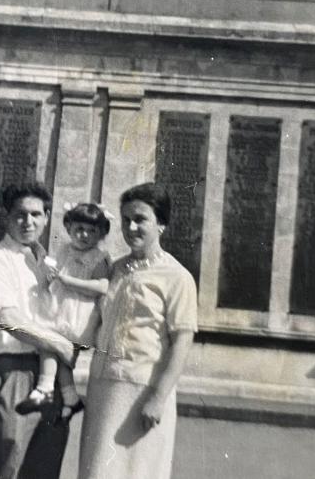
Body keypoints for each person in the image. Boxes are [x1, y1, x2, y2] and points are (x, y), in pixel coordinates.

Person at [78, 183, 198, 479]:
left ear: (162, 224)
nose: (131, 227)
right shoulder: (113, 269)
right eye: (127, 219)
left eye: (141, 219)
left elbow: (182, 342)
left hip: (143, 393)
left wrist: (157, 398)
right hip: (104, 390)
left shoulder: (177, 277)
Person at [0, 182, 78, 479]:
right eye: (20, 214)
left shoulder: (47, 262)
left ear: (46, 218)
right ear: (6, 217)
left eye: (36, 214)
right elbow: (9, 318)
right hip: (13, 371)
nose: (28, 222)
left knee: (45, 467)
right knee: (6, 462)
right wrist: (60, 344)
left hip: (51, 374)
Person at [16, 202, 113, 420]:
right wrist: (50, 275)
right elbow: (56, 273)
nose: (84, 235)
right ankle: (69, 398)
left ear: (101, 233)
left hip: (78, 315)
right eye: (79, 229)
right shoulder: (64, 250)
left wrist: (69, 281)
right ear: (68, 228)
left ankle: (45, 388)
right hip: (58, 308)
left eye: (92, 231)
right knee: (51, 347)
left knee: (59, 352)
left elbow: (102, 287)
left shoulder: (99, 257)